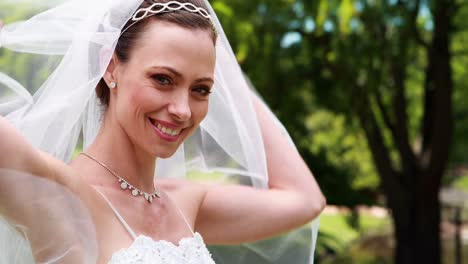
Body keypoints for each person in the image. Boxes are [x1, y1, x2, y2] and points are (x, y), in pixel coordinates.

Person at [0, 0, 325, 263]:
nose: (183, 110)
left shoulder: (187, 202)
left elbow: (305, 200)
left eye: (201, 89)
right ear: (110, 67)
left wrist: (225, 69)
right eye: (163, 79)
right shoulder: (62, 196)